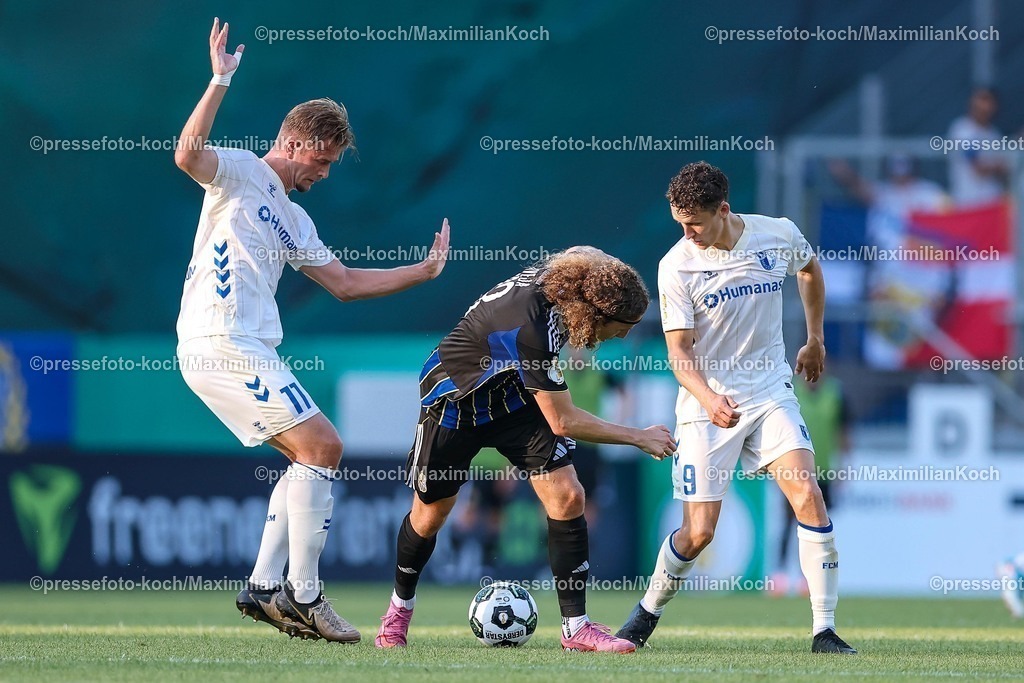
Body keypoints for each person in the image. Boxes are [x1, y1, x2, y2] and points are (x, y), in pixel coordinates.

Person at [173, 18, 450, 643]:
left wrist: (423, 271)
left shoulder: (294, 219)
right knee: (324, 446)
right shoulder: (241, 171)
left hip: (247, 346)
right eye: (321, 160)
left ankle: (264, 586)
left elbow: (345, 283)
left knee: (309, 456)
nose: (324, 173)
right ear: (295, 142)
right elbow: (187, 154)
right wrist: (219, 81)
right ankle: (304, 593)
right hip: (221, 341)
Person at [374, 247, 677, 653]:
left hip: (512, 397)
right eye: (621, 328)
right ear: (596, 313)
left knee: (568, 495)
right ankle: (397, 612)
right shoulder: (535, 328)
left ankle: (576, 628)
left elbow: (585, 251)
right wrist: (638, 436)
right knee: (429, 516)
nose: (621, 336)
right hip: (453, 403)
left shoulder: (569, 280)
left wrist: (614, 269)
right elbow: (564, 421)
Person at [616, 161, 857, 654]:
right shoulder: (676, 265)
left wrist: (815, 338)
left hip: (770, 391)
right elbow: (679, 354)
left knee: (807, 494)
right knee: (699, 533)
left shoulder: (777, 234)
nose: (687, 233)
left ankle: (825, 631)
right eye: (679, 223)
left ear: (723, 210)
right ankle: (645, 614)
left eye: (694, 223)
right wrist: (708, 398)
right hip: (708, 402)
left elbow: (809, 269)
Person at [773, 376, 850, 595]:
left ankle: (807, 577)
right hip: (793, 471)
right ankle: (780, 574)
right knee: (789, 522)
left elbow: (843, 432)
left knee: (816, 525)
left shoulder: (834, 395)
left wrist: (844, 465)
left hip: (823, 472)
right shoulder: (790, 392)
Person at [947, 87, 1008, 207]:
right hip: (968, 203)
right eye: (981, 99)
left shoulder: (994, 134)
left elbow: (1003, 170)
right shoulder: (962, 130)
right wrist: (1003, 165)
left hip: (993, 201)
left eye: (988, 100)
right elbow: (978, 167)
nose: (984, 106)